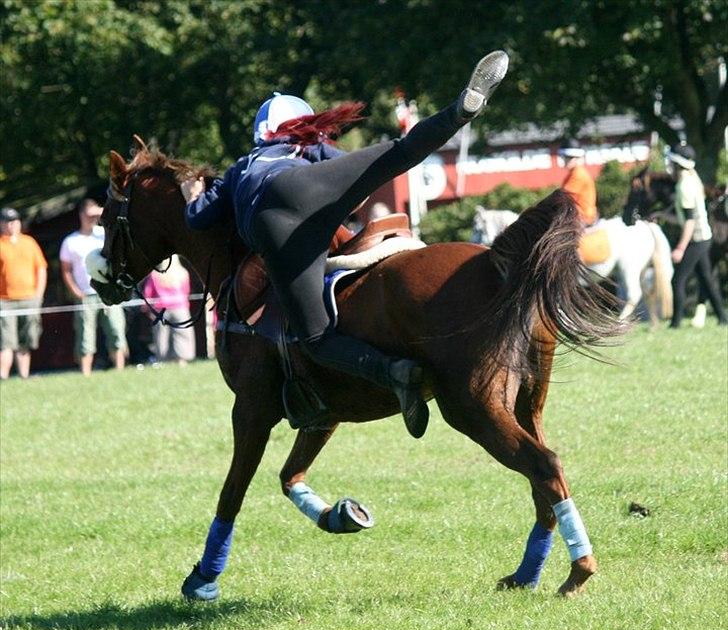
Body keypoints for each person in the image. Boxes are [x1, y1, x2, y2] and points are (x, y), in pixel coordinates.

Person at [181, 51, 509, 439]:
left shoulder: (244, 165)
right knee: (399, 151)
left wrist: (191, 193)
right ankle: (459, 111)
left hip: (272, 219)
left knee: (317, 338)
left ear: (261, 132)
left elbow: (198, 218)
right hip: (311, 187)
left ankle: (392, 371)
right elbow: (354, 197)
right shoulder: (309, 148)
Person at [60, 199, 128, 375]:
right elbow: (66, 270)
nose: (91, 218)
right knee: (85, 335)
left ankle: (119, 369)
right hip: (86, 294)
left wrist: (100, 212)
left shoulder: (103, 234)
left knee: (116, 329)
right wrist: (75, 291)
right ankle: (86, 372)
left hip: (109, 291)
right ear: (81, 215)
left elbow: (117, 219)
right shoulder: (71, 241)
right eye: (88, 214)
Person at [666, 146, 727, 328]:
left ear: (677, 163)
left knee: (677, 280)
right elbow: (686, 218)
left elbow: (690, 222)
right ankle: (723, 318)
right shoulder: (692, 180)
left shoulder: (684, 186)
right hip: (704, 237)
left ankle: (675, 324)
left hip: (697, 240)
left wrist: (680, 248)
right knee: (706, 279)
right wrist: (664, 217)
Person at [0, 207, 47, 379]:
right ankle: (3, 377)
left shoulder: (29, 242)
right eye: (7, 221)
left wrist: (38, 295)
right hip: (5, 301)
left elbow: (41, 269)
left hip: (29, 298)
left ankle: (23, 376)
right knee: (6, 341)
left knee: (26, 341)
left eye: (14, 221)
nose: (11, 225)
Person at [142, 255, 196, 366]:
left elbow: (148, 294)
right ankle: (182, 360)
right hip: (180, 307)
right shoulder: (183, 273)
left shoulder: (155, 275)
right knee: (182, 335)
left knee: (161, 336)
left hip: (161, 309)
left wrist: (147, 309)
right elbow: (187, 291)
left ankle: (163, 360)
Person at [558, 138, 598, 226]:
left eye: (568, 158)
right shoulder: (573, 173)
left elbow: (563, 196)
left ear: (575, 158)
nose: (565, 160)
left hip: (582, 220)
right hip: (579, 218)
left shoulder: (578, 174)